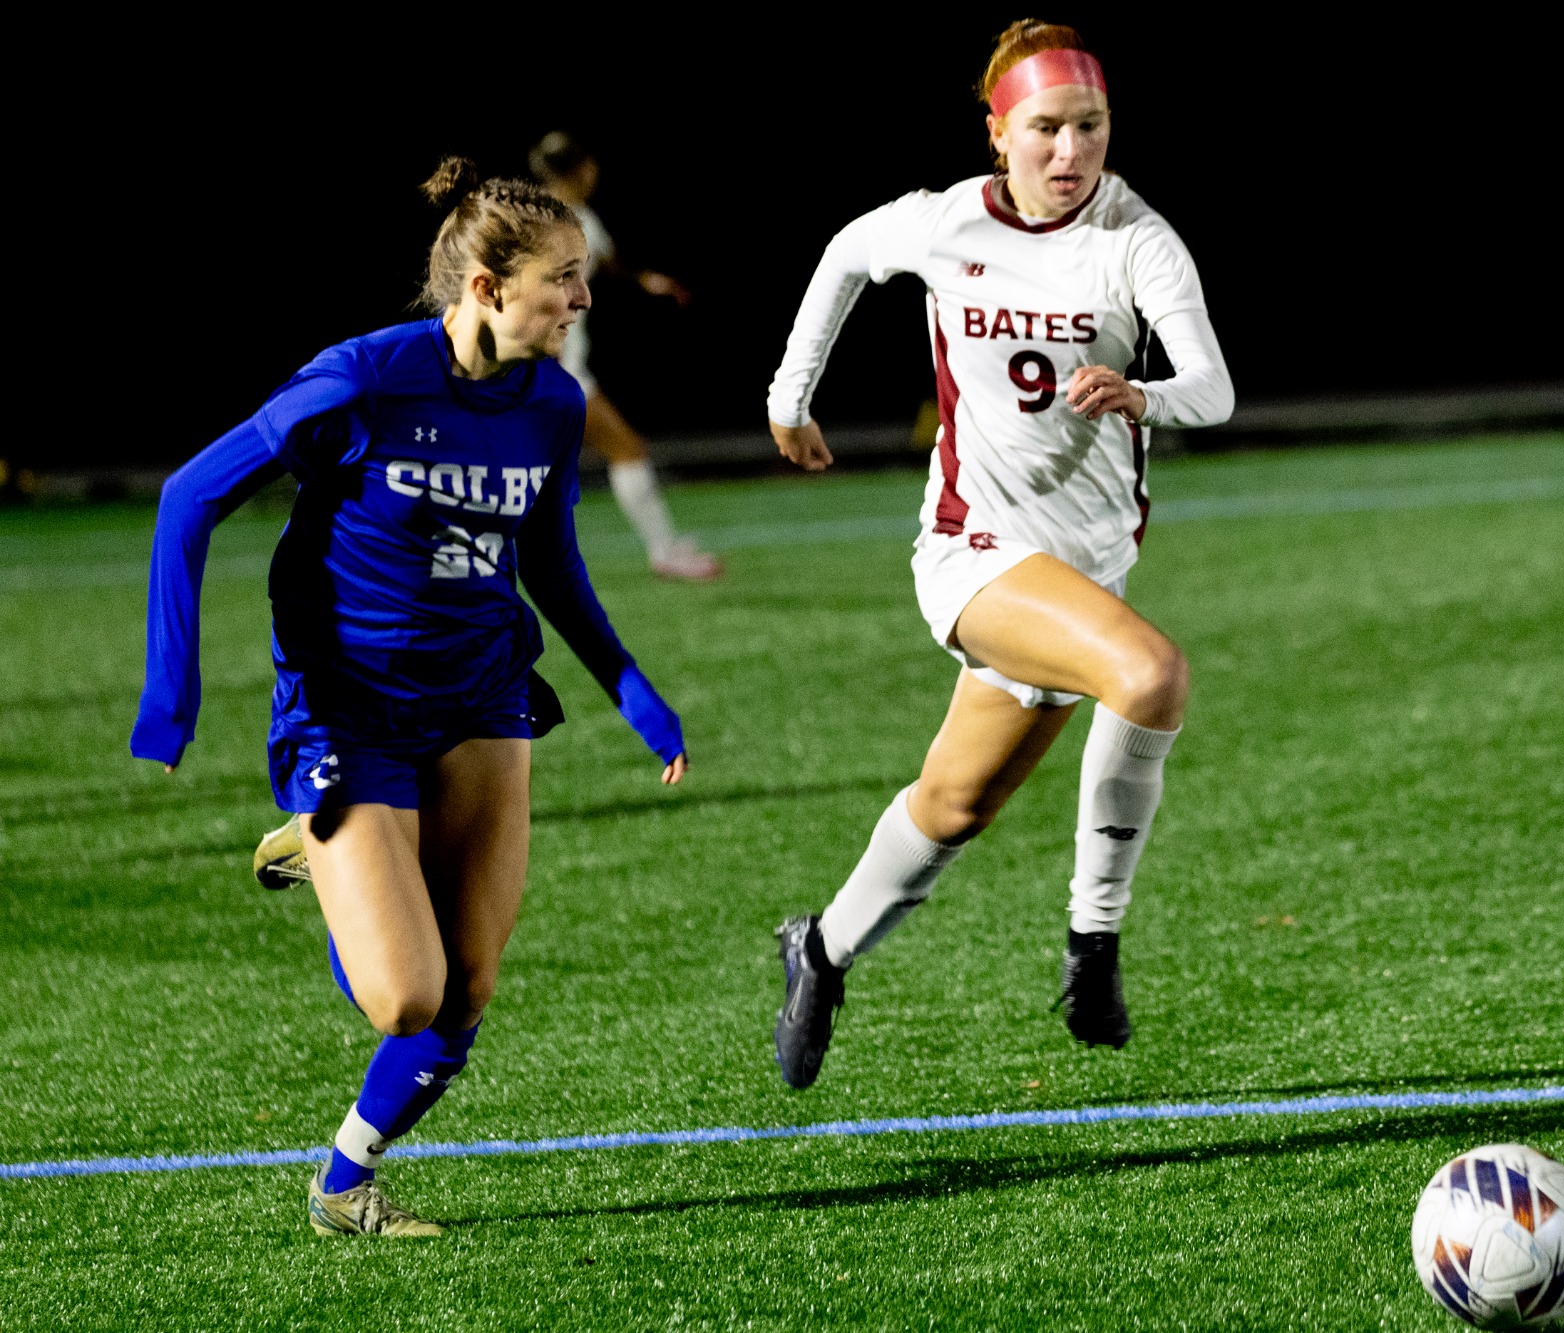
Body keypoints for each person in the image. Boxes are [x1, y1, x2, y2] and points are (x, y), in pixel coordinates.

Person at [132, 158, 689, 1235]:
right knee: (404, 996)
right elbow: (189, 495)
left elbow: (553, 565)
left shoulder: (551, 402)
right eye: (562, 280)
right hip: (350, 709)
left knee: (466, 989)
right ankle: (320, 833)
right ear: (484, 284)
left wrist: (633, 692)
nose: (581, 300)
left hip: (483, 694)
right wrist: (173, 691)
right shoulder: (363, 379)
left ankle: (343, 1183)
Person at [763, 19, 1233, 1089]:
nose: (1070, 154)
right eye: (1046, 130)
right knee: (1150, 674)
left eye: (1090, 127)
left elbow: (1213, 387)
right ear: (995, 131)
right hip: (972, 548)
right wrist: (789, 400)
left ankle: (820, 949)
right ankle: (1092, 943)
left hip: (1081, 572)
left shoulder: (1133, 238)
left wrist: (1143, 390)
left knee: (952, 807)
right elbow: (844, 254)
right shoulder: (943, 225)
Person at [530, 131, 720, 582]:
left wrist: (644, 280)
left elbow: (606, 266)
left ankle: (666, 549)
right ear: (578, 169)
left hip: (554, 366)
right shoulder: (552, 226)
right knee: (626, 449)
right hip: (553, 368)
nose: (595, 172)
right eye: (590, 165)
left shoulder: (572, 218)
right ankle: (666, 553)